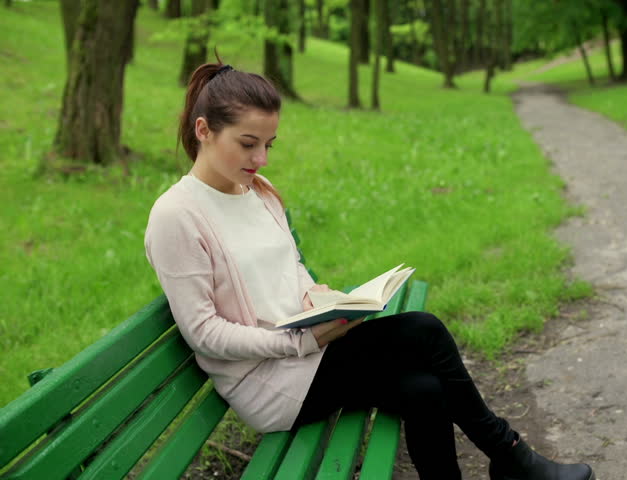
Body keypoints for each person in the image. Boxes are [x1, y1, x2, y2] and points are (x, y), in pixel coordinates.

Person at [144, 62, 595, 480]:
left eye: (268, 145)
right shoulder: (177, 216)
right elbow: (203, 332)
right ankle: (510, 455)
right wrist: (298, 341)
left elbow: (289, 264)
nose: (261, 158)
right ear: (203, 130)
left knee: (426, 390)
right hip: (268, 381)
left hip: (307, 352)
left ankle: (508, 458)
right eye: (248, 144)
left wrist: (317, 297)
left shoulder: (257, 192)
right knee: (424, 330)